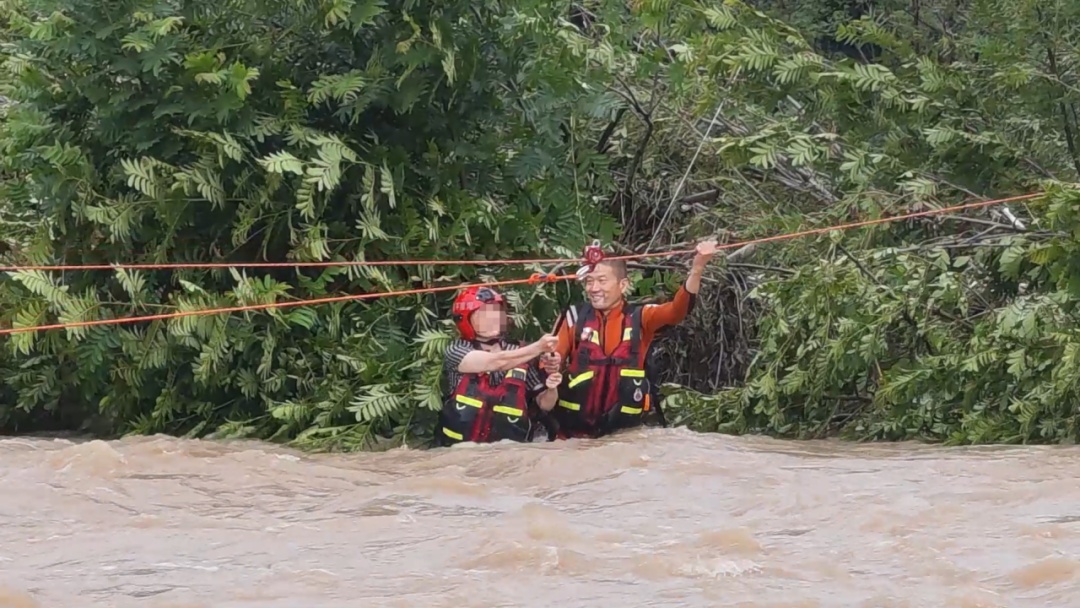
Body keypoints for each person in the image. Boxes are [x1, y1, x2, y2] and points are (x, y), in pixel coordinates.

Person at [544, 239, 718, 439]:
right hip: (572, 439)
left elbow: (676, 311)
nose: (593, 288)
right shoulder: (573, 318)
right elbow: (551, 357)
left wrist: (697, 268)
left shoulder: (641, 318)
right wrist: (550, 363)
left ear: (623, 284)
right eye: (589, 281)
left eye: (601, 280)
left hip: (625, 438)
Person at [435, 285, 562, 447]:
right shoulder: (456, 350)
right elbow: (495, 361)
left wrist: (552, 387)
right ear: (465, 320)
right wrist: (538, 347)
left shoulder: (519, 352)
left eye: (496, 312)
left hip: (509, 452)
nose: (493, 318)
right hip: (461, 451)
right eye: (484, 313)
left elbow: (545, 404)